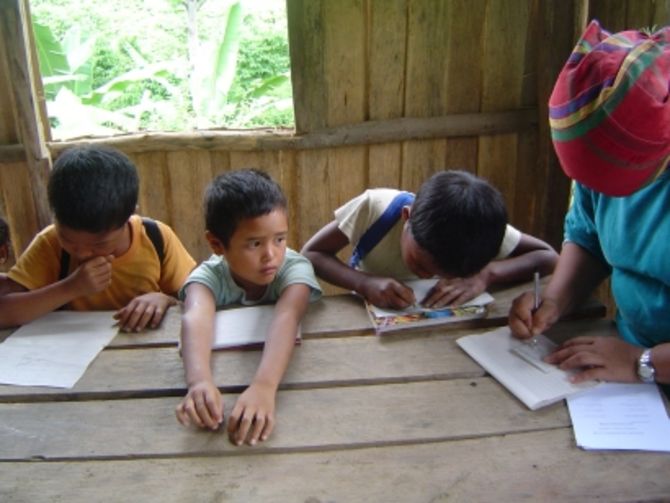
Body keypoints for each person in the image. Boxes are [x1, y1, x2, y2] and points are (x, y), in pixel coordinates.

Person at [508, 20, 670, 390]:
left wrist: (643, 363)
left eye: (611, 183)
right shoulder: (607, 136)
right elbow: (589, 235)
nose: (599, 192)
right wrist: (554, 300)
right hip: (624, 361)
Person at [175, 169, 322, 446]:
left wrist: (264, 387)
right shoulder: (210, 276)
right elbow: (195, 316)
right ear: (217, 244)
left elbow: (288, 316)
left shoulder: (294, 268)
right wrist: (199, 382)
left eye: (280, 239)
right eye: (255, 243)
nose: (271, 255)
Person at [0, 145, 196, 330]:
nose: (83, 252)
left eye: (99, 244)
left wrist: (165, 299)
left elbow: (195, 296)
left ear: (128, 216)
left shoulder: (156, 237)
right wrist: (71, 288)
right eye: (68, 240)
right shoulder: (50, 243)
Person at [301, 169, 558, 310]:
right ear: (406, 217)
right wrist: (364, 283)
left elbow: (548, 258)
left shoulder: (478, 228)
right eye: (421, 265)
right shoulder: (375, 208)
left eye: (447, 274)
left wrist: (486, 275)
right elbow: (312, 254)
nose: (426, 277)